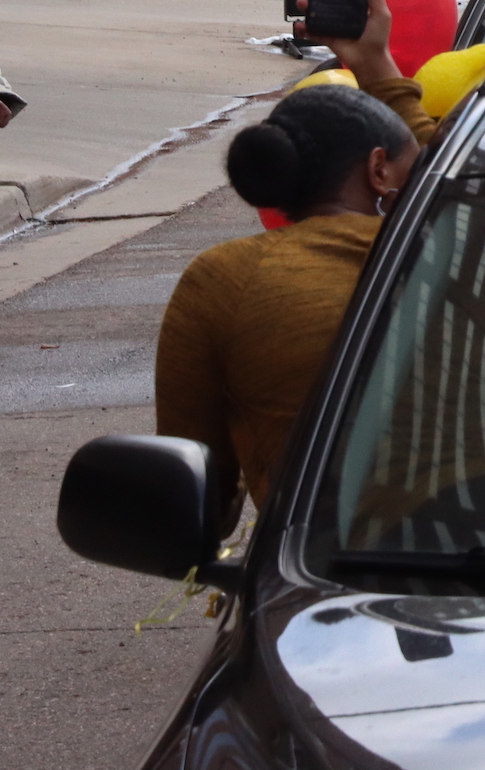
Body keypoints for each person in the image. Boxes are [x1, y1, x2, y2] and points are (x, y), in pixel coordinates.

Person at [155, 77, 419, 512]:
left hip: (324, 566)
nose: (427, 187)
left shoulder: (224, 280)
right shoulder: (459, 251)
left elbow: (197, 498)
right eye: (419, 170)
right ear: (378, 170)